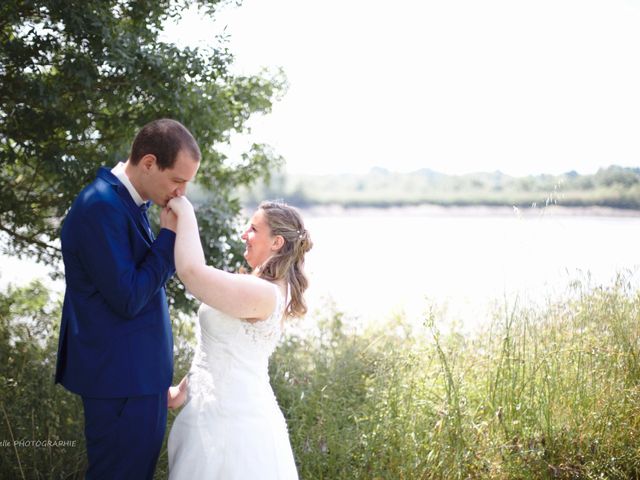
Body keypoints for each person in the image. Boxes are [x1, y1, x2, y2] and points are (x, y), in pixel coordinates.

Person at [54, 119, 200, 479]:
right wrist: (167, 239)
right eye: (177, 180)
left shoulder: (126, 202)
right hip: (121, 382)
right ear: (148, 163)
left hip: (135, 380)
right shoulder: (100, 205)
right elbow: (129, 297)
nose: (181, 192)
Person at [165, 196, 312, 479]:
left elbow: (192, 272)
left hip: (234, 429)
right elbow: (224, 347)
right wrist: (180, 392)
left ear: (276, 242)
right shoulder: (259, 288)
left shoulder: (263, 293)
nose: (244, 235)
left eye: (254, 229)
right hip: (213, 415)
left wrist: (185, 211)